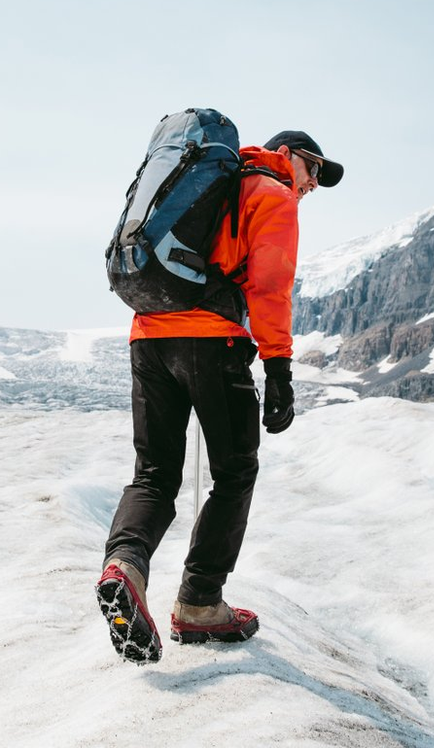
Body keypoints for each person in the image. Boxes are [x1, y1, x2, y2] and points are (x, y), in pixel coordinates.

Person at [96, 128, 344, 664]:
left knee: (154, 474)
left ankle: (124, 567)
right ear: (290, 156)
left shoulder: (211, 188)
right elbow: (270, 287)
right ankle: (200, 604)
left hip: (149, 336)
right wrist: (278, 367)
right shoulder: (271, 193)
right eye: (316, 171)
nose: (313, 185)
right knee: (235, 471)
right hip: (212, 343)